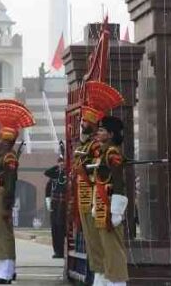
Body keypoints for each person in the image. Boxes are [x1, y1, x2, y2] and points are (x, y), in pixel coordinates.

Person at [0, 99, 35, 285]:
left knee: (3, 233)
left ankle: (6, 270)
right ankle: (1, 264)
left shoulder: (9, 157)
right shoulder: (0, 156)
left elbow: (11, 183)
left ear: (9, 141)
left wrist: (7, 205)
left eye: (2, 140)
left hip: (3, 196)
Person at [74, 81, 123, 286]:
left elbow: (116, 179)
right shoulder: (91, 147)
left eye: (85, 121)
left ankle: (113, 281)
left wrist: (117, 209)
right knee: (96, 244)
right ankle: (101, 280)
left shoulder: (104, 150)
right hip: (95, 200)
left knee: (109, 246)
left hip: (106, 199)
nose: (81, 124)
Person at [92, 115, 129, 286]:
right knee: (105, 247)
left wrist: (116, 211)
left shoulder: (112, 153)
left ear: (111, 134)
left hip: (110, 205)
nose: (98, 133)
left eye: (102, 130)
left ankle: (118, 282)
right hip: (101, 204)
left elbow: (119, 181)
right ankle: (108, 279)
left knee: (113, 248)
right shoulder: (104, 151)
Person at [44, 157, 67, 259]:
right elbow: (47, 172)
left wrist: (64, 168)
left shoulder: (67, 174)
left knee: (62, 228)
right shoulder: (55, 174)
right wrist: (58, 166)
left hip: (64, 205)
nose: (62, 164)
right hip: (55, 205)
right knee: (55, 228)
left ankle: (63, 251)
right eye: (60, 162)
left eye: (63, 162)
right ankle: (57, 251)